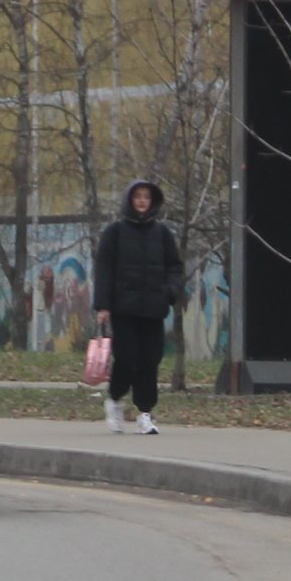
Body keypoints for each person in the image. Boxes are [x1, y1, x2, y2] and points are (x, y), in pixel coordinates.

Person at [88, 178, 183, 435]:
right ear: (130, 200)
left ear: (152, 202)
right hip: (123, 309)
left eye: (146, 197)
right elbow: (104, 270)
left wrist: (170, 293)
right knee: (127, 358)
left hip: (153, 309)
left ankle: (145, 413)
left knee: (150, 360)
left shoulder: (162, 234)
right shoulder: (115, 232)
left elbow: (174, 267)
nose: (142, 201)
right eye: (137, 196)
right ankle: (115, 400)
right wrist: (103, 305)